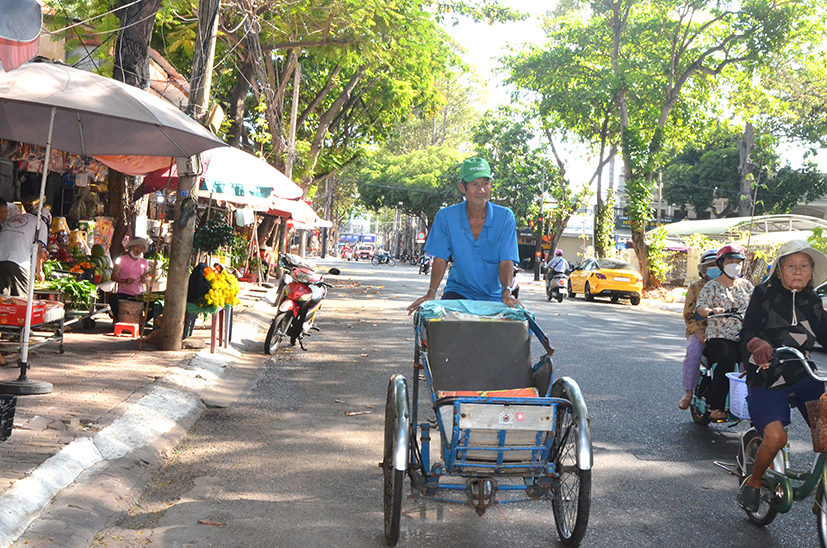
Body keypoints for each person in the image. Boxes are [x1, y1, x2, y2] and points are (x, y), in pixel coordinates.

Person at [737, 240, 827, 512]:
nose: (798, 271)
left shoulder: (812, 300)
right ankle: (752, 482)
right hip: (766, 375)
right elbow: (747, 331)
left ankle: (821, 489)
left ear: (811, 272)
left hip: (803, 372)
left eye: (804, 266)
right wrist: (758, 345)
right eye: (791, 266)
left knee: (826, 426)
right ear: (779, 270)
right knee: (776, 438)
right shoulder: (763, 293)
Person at [407, 157, 520, 313]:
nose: (481, 190)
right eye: (474, 184)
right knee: (441, 328)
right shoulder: (446, 217)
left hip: (493, 295)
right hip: (458, 291)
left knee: (514, 330)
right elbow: (440, 259)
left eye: (485, 184)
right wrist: (431, 293)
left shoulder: (505, 217)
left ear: (491, 185)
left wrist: (506, 292)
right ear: (462, 187)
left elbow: (506, 259)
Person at [695, 244, 754, 421]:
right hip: (719, 337)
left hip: (743, 335)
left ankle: (755, 404)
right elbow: (700, 308)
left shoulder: (747, 286)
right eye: (730, 261)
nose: (735, 265)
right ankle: (716, 407)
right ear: (721, 263)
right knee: (726, 362)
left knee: (758, 362)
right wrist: (711, 311)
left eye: (738, 262)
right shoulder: (711, 286)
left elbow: (759, 306)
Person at [677, 249, 719, 409]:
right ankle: (688, 392)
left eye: (717, 265)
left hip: (725, 332)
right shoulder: (695, 288)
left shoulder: (729, 286)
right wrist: (697, 331)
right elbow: (688, 314)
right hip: (700, 330)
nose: (714, 268)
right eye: (710, 265)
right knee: (693, 352)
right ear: (703, 269)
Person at [0, 206, 50, 296]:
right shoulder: (40, 224)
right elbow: (38, 248)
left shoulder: (13, 218)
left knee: (3, 297)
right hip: (18, 260)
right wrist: (39, 271)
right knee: (21, 299)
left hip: (1, 257)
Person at [109, 238, 150, 321]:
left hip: (138, 294)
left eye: (141, 248)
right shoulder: (122, 259)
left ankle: (143, 320)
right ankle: (119, 318)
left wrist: (144, 280)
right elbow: (113, 276)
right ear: (132, 247)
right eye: (137, 247)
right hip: (124, 293)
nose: (138, 250)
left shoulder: (144, 262)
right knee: (112, 298)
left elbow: (147, 278)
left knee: (155, 305)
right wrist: (125, 281)